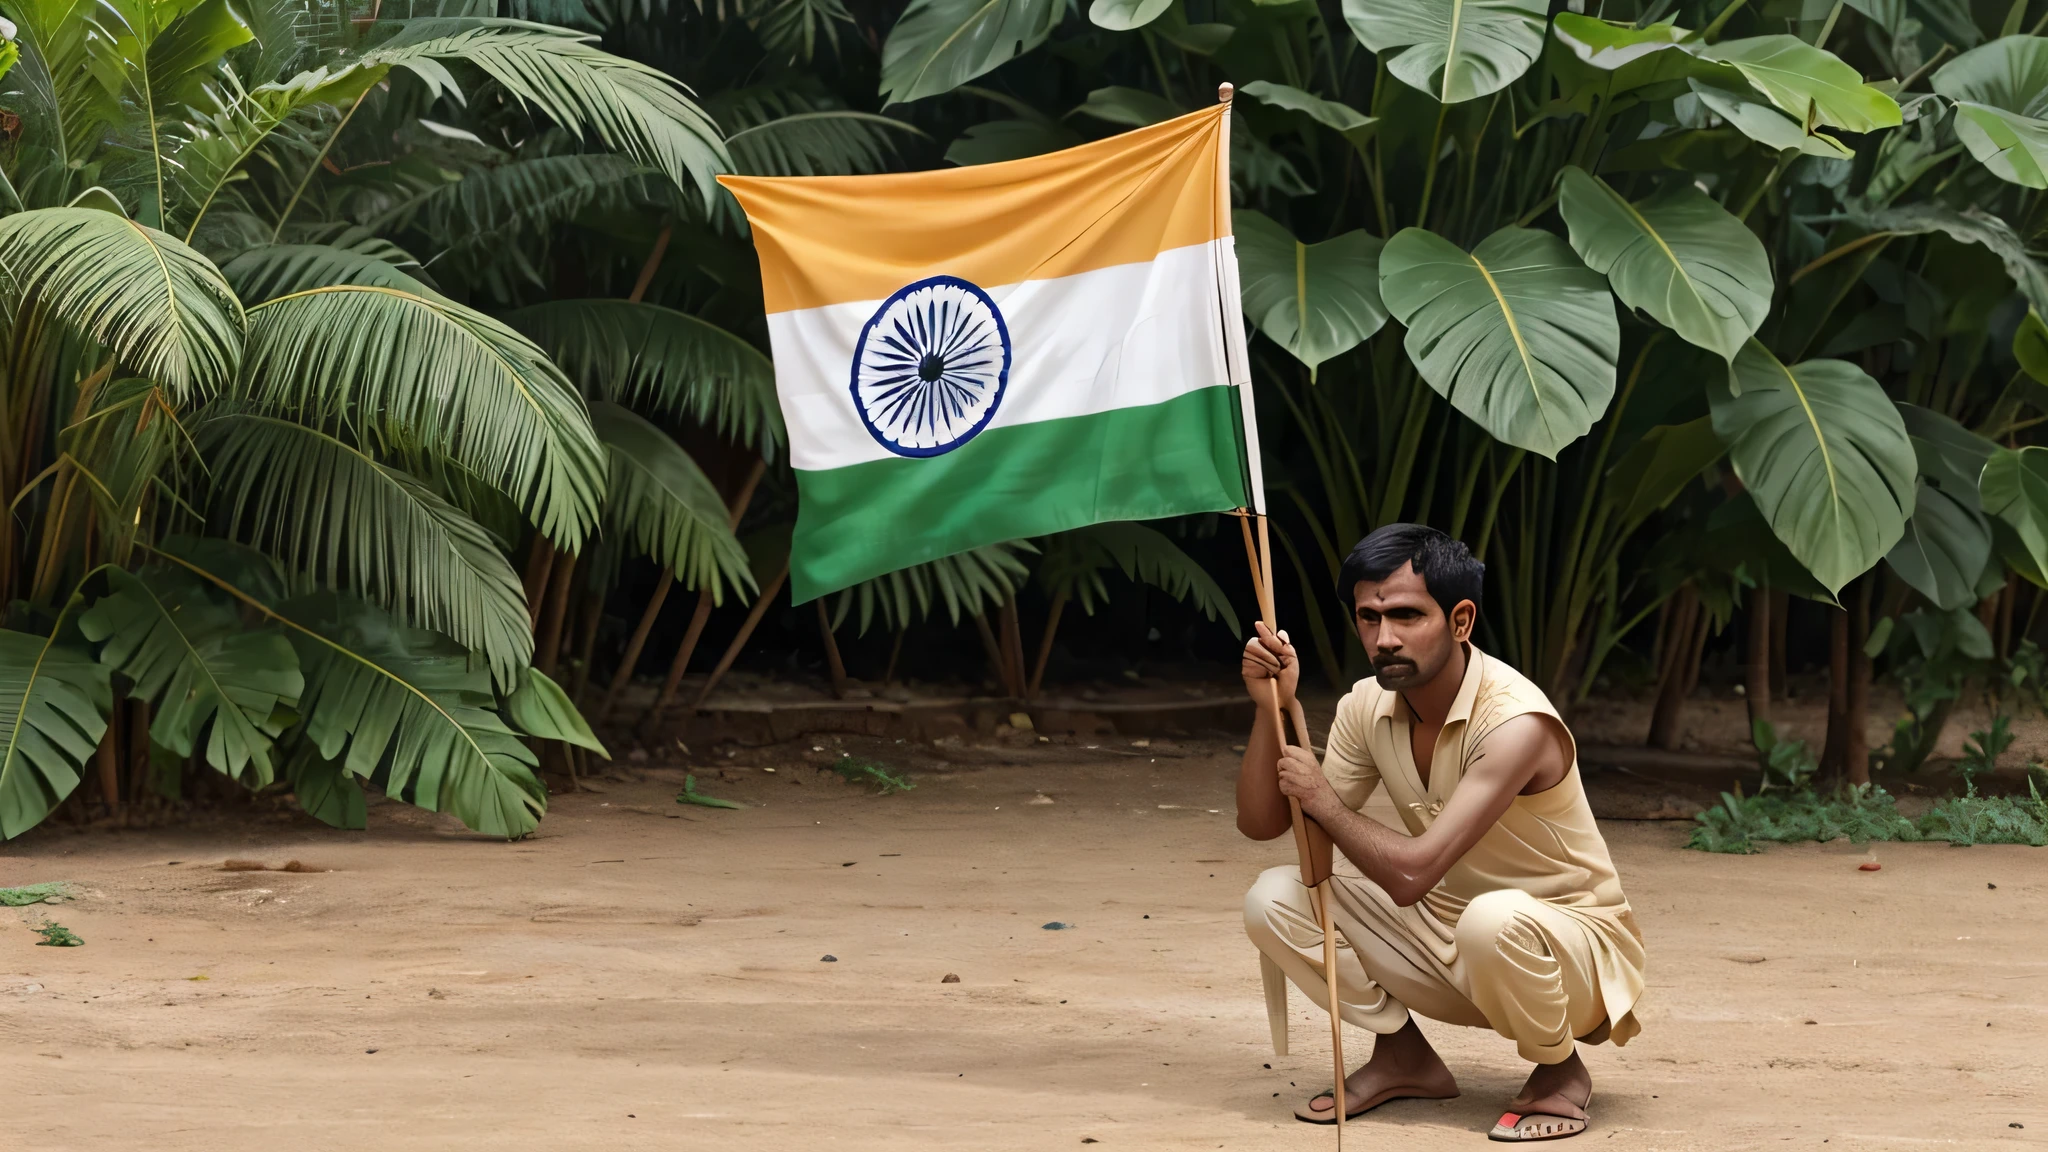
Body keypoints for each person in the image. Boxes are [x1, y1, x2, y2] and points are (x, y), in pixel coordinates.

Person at [1236, 524, 1645, 1142]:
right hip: (1447, 933)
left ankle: (1560, 1072)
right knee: (1274, 896)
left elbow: (1409, 874)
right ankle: (1403, 1057)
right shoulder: (1364, 707)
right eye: (1368, 618)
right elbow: (1265, 824)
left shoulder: (1515, 721)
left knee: (1494, 919)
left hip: (1569, 952)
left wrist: (1322, 798)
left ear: (1460, 621)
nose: (1384, 638)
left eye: (1405, 615)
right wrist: (1271, 707)